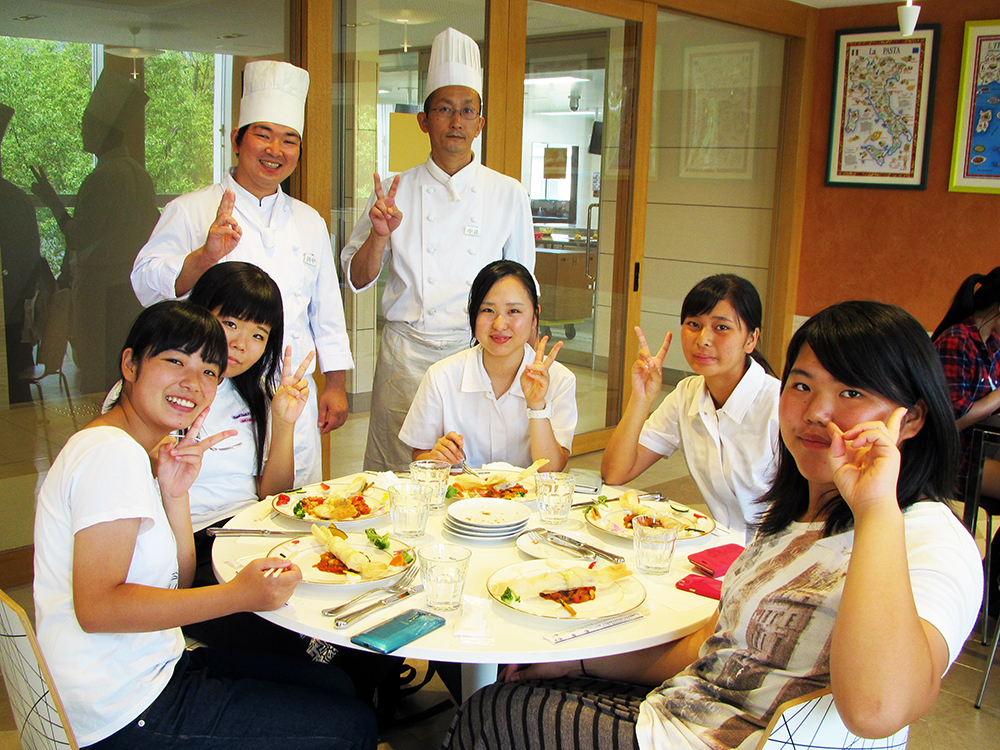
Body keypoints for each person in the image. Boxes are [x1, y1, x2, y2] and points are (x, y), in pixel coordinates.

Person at [444, 300, 982, 750]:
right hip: (692, 709)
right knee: (511, 688)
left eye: (852, 393)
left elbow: (877, 709)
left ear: (910, 417)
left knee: (491, 715)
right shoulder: (795, 512)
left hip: (725, 739)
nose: (819, 412)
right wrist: (577, 663)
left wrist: (875, 508)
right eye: (802, 386)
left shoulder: (931, 540)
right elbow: (716, 647)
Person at [33, 300, 377, 749]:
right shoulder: (108, 454)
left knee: (336, 685)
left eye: (209, 372)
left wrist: (175, 495)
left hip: (153, 665)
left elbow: (173, 580)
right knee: (351, 726)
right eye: (175, 361)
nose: (192, 384)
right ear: (130, 364)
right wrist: (236, 597)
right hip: (120, 709)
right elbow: (98, 608)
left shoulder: (135, 450)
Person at [132, 60, 353, 486]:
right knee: (220, 507)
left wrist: (335, 384)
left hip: (291, 392)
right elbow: (144, 283)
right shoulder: (192, 209)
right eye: (263, 135)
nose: (275, 150)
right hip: (217, 390)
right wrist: (204, 255)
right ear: (237, 139)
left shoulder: (309, 222)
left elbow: (327, 311)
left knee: (294, 511)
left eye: (289, 140)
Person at [342, 27, 535, 472]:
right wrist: (379, 236)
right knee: (397, 471)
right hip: (405, 357)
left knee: (470, 472)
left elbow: (525, 287)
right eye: (444, 108)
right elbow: (356, 278)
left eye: (468, 110)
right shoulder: (393, 190)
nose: (456, 120)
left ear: (480, 122)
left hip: (479, 356)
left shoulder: (507, 194)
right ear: (424, 119)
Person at [601, 274, 780, 538]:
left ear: (751, 339)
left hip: (773, 557)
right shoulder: (687, 394)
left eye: (722, 328)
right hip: (719, 549)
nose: (703, 339)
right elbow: (616, 472)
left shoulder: (779, 405)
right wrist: (641, 398)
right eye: (694, 324)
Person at [30, 69, 159, 394]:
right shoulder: (138, 175)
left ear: (103, 131)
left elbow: (77, 237)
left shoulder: (103, 178)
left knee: (96, 374)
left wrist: (51, 201)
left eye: (87, 125)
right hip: (128, 289)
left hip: (101, 291)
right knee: (122, 369)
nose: (82, 131)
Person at [400, 260, 575, 470]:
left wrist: (537, 407)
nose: (499, 324)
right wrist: (437, 458)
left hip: (527, 501)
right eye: (487, 310)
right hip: (461, 499)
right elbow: (420, 456)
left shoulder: (560, 379)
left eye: (514, 311)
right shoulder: (441, 376)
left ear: (534, 316)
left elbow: (551, 471)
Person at [932, 267, 1000, 616]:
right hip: (952, 459)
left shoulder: (992, 345)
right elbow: (948, 421)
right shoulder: (958, 340)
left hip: (982, 453)